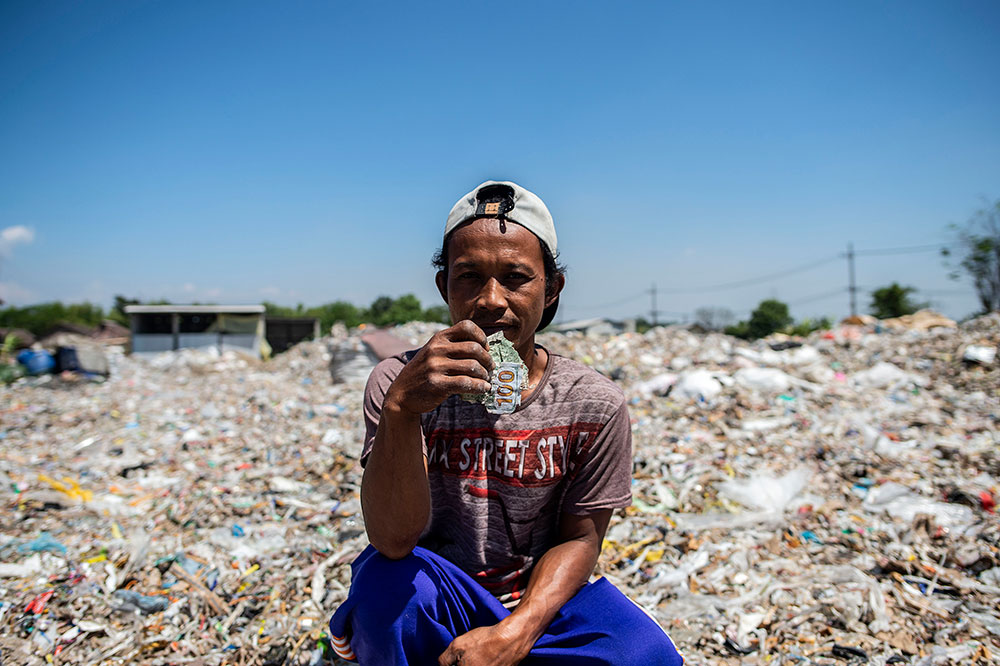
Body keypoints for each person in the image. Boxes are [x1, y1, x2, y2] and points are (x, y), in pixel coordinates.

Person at [329, 181, 684, 665]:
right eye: (469, 276)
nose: (492, 300)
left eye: (516, 277)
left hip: (537, 598)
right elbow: (393, 540)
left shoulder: (592, 403)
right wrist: (402, 411)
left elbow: (580, 538)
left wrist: (515, 633)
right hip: (436, 589)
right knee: (384, 593)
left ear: (551, 287)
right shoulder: (398, 382)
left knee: (644, 654)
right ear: (443, 287)